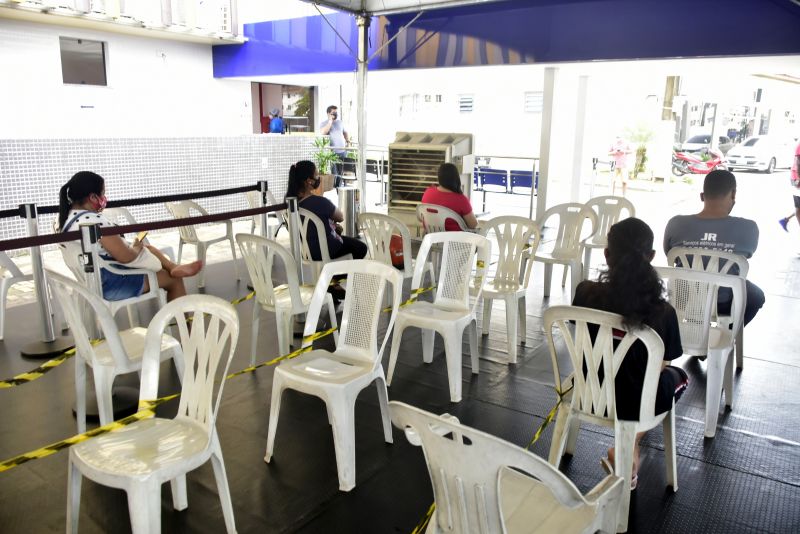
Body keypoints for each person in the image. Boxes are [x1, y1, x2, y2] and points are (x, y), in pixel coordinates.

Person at [573, 218, 688, 490]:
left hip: (589, 392)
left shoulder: (585, 293)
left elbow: (578, 334)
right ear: (651, 256)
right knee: (679, 376)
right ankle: (630, 444)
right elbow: (663, 365)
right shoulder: (663, 312)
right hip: (637, 402)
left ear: (607, 254)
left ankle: (628, 449)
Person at [58, 171, 202, 302]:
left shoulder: (67, 219)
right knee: (174, 280)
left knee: (148, 249)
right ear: (93, 197)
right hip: (111, 284)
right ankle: (186, 323)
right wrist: (136, 247)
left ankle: (173, 267)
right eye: (102, 194)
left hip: (93, 281)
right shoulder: (94, 222)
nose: (104, 198)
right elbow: (126, 257)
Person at [663, 169, 764, 325]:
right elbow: (746, 256)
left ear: (702, 196)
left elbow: (669, 254)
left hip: (682, 300)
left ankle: (683, 329)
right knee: (756, 296)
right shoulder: (748, 228)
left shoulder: (675, 224)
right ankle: (730, 333)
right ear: (733, 195)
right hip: (723, 303)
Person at [285, 161, 367, 301]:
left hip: (305, 250)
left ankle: (333, 285)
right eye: (317, 175)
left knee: (340, 235)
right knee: (360, 248)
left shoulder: (289, 203)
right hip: (326, 249)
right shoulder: (319, 202)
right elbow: (340, 217)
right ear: (309, 181)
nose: (319, 178)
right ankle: (331, 280)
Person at [420, 162, 478, 231]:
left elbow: (421, 217)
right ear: (456, 178)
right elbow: (473, 224)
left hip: (431, 236)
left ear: (439, 177)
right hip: (455, 237)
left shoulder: (428, 192)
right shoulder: (461, 199)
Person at [319, 105, 350, 181]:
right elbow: (323, 132)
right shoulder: (324, 123)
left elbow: (345, 132)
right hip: (332, 153)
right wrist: (330, 121)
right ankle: (335, 187)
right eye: (333, 112)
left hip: (342, 151)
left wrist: (348, 142)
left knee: (341, 173)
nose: (336, 114)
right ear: (328, 113)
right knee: (335, 173)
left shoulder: (340, 122)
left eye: (336, 112)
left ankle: (339, 187)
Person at [778, 140, 800, 232]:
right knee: (798, 208)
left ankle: (785, 220)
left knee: (799, 208)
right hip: (797, 179)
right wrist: (798, 179)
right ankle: (785, 220)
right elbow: (798, 163)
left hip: (796, 179)